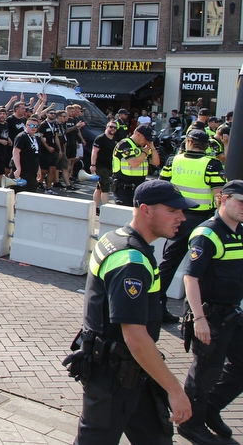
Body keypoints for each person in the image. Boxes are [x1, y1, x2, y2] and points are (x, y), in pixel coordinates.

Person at [69, 179, 196, 444]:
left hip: (132, 371)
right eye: (173, 211)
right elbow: (135, 337)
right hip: (115, 377)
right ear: (146, 210)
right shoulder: (131, 261)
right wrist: (175, 389)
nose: (182, 217)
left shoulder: (114, 238)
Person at [178, 179, 243, 445]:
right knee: (205, 373)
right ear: (223, 200)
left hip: (232, 314)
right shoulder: (207, 234)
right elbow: (190, 279)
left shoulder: (239, 230)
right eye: (240, 202)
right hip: (210, 315)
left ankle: (209, 409)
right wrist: (200, 320)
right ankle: (190, 424)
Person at [157, 129, 226, 321]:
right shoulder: (212, 164)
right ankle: (198, 313)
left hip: (177, 218)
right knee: (202, 268)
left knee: (168, 265)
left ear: (188, 142)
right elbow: (219, 195)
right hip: (202, 221)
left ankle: (155, 307)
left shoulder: (174, 160)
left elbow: (161, 187)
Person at [111, 125, 160, 207]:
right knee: (124, 214)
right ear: (138, 134)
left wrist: (152, 148)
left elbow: (156, 162)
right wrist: (144, 152)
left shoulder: (143, 147)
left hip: (139, 187)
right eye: (146, 138)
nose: (147, 141)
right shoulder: (125, 144)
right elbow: (134, 163)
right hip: (124, 188)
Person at [89, 121, 118, 209]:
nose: (113, 129)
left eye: (115, 128)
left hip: (110, 167)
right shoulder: (100, 138)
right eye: (111, 127)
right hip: (101, 166)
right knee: (105, 188)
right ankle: (106, 209)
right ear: (107, 127)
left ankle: (94, 207)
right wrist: (93, 165)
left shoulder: (114, 139)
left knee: (99, 188)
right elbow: (94, 152)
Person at [11, 118, 41, 193]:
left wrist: (38, 169)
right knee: (19, 192)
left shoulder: (36, 138)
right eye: (31, 125)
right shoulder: (22, 136)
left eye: (36, 126)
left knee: (31, 191)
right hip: (22, 170)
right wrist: (18, 168)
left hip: (32, 170)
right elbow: (15, 152)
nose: (33, 128)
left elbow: (36, 154)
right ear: (26, 126)